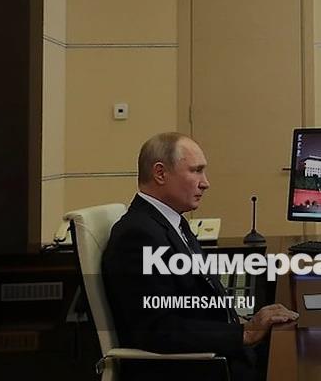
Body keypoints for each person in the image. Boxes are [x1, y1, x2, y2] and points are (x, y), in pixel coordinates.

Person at [102, 132, 299, 381]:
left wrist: (243, 322)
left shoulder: (172, 222)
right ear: (160, 173)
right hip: (195, 369)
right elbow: (158, 329)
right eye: (196, 171)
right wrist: (244, 332)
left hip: (218, 353)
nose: (205, 183)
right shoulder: (138, 234)